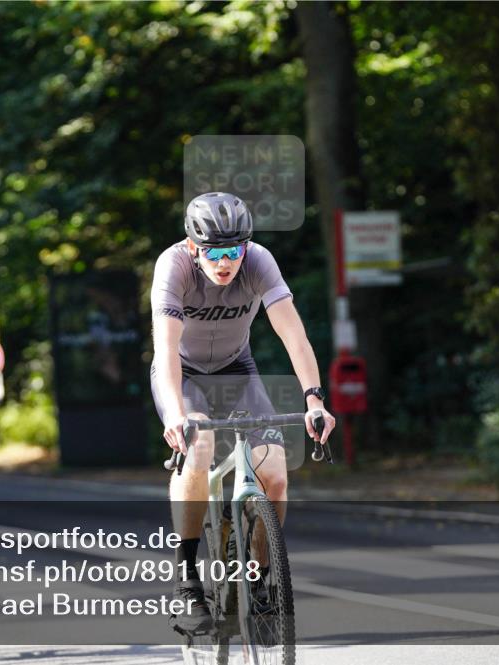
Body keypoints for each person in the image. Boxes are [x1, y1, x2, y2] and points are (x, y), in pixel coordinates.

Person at [150, 192, 336, 632]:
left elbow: (294, 335)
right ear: (193, 247)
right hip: (183, 373)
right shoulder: (173, 266)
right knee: (199, 447)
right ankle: (187, 581)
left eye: (234, 251)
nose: (225, 263)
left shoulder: (259, 261)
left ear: (246, 247)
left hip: (237, 370)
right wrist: (176, 414)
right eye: (214, 253)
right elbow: (166, 348)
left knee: (275, 476)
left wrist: (314, 400)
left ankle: (259, 576)